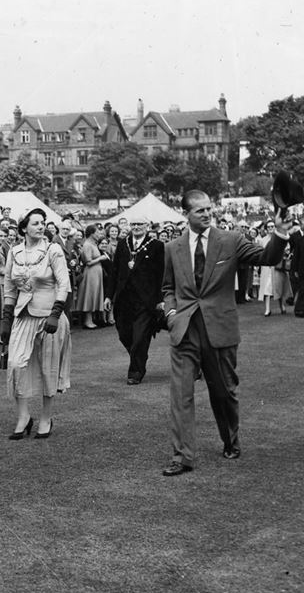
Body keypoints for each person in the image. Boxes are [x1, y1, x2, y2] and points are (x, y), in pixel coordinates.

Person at [161, 190, 293, 476]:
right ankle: (182, 456)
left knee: (223, 393)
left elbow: (267, 257)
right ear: (187, 214)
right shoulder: (172, 248)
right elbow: (168, 288)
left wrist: (281, 234)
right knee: (180, 395)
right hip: (184, 331)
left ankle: (230, 440)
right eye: (200, 211)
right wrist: (171, 313)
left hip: (219, 329)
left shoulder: (230, 240)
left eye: (209, 209)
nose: (207, 214)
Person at [0, 208, 71, 441]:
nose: (41, 227)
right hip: (23, 316)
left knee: (47, 368)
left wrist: (56, 312)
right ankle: (23, 417)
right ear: (23, 228)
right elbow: (9, 287)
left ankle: (46, 418)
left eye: (43, 223)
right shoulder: (14, 251)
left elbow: (63, 284)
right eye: (35, 223)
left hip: (50, 316)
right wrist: (6, 318)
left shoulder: (53, 250)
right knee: (16, 363)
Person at [104, 214, 164, 385]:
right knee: (125, 334)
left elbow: (161, 274)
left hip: (146, 300)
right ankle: (139, 355)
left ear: (147, 226)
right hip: (124, 299)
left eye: (140, 224)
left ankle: (135, 372)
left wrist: (160, 299)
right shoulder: (123, 244)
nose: (136, 227)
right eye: (134, 224)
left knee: (140, 337)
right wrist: (109, 296)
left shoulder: (156, 246)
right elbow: (115, 272)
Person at [74, 225, 108, 329]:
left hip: (95, 273)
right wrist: (101, 258)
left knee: (94, 294)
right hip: (91, 273)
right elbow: (88, 262)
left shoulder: (92, 244)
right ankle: (88, 320)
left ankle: (91, 319)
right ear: (92, 233)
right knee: (90, 295)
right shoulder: (87, 245)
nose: (99, 234)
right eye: (97, 232)